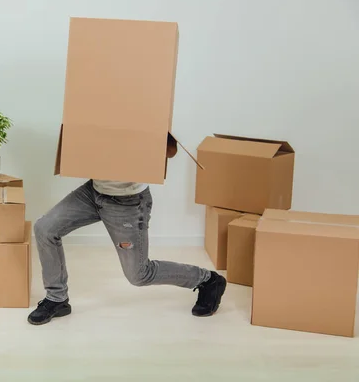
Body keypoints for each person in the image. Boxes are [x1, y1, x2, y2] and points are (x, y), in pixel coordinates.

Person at [27, 135, 226, 325]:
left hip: (128, 202)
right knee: (45, 229)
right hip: (94, 192)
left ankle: (207, 280)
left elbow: (170, 151)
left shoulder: (142, 112)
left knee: (139, 274)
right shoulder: (93, 109)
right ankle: (57, 298)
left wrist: (143, 138)